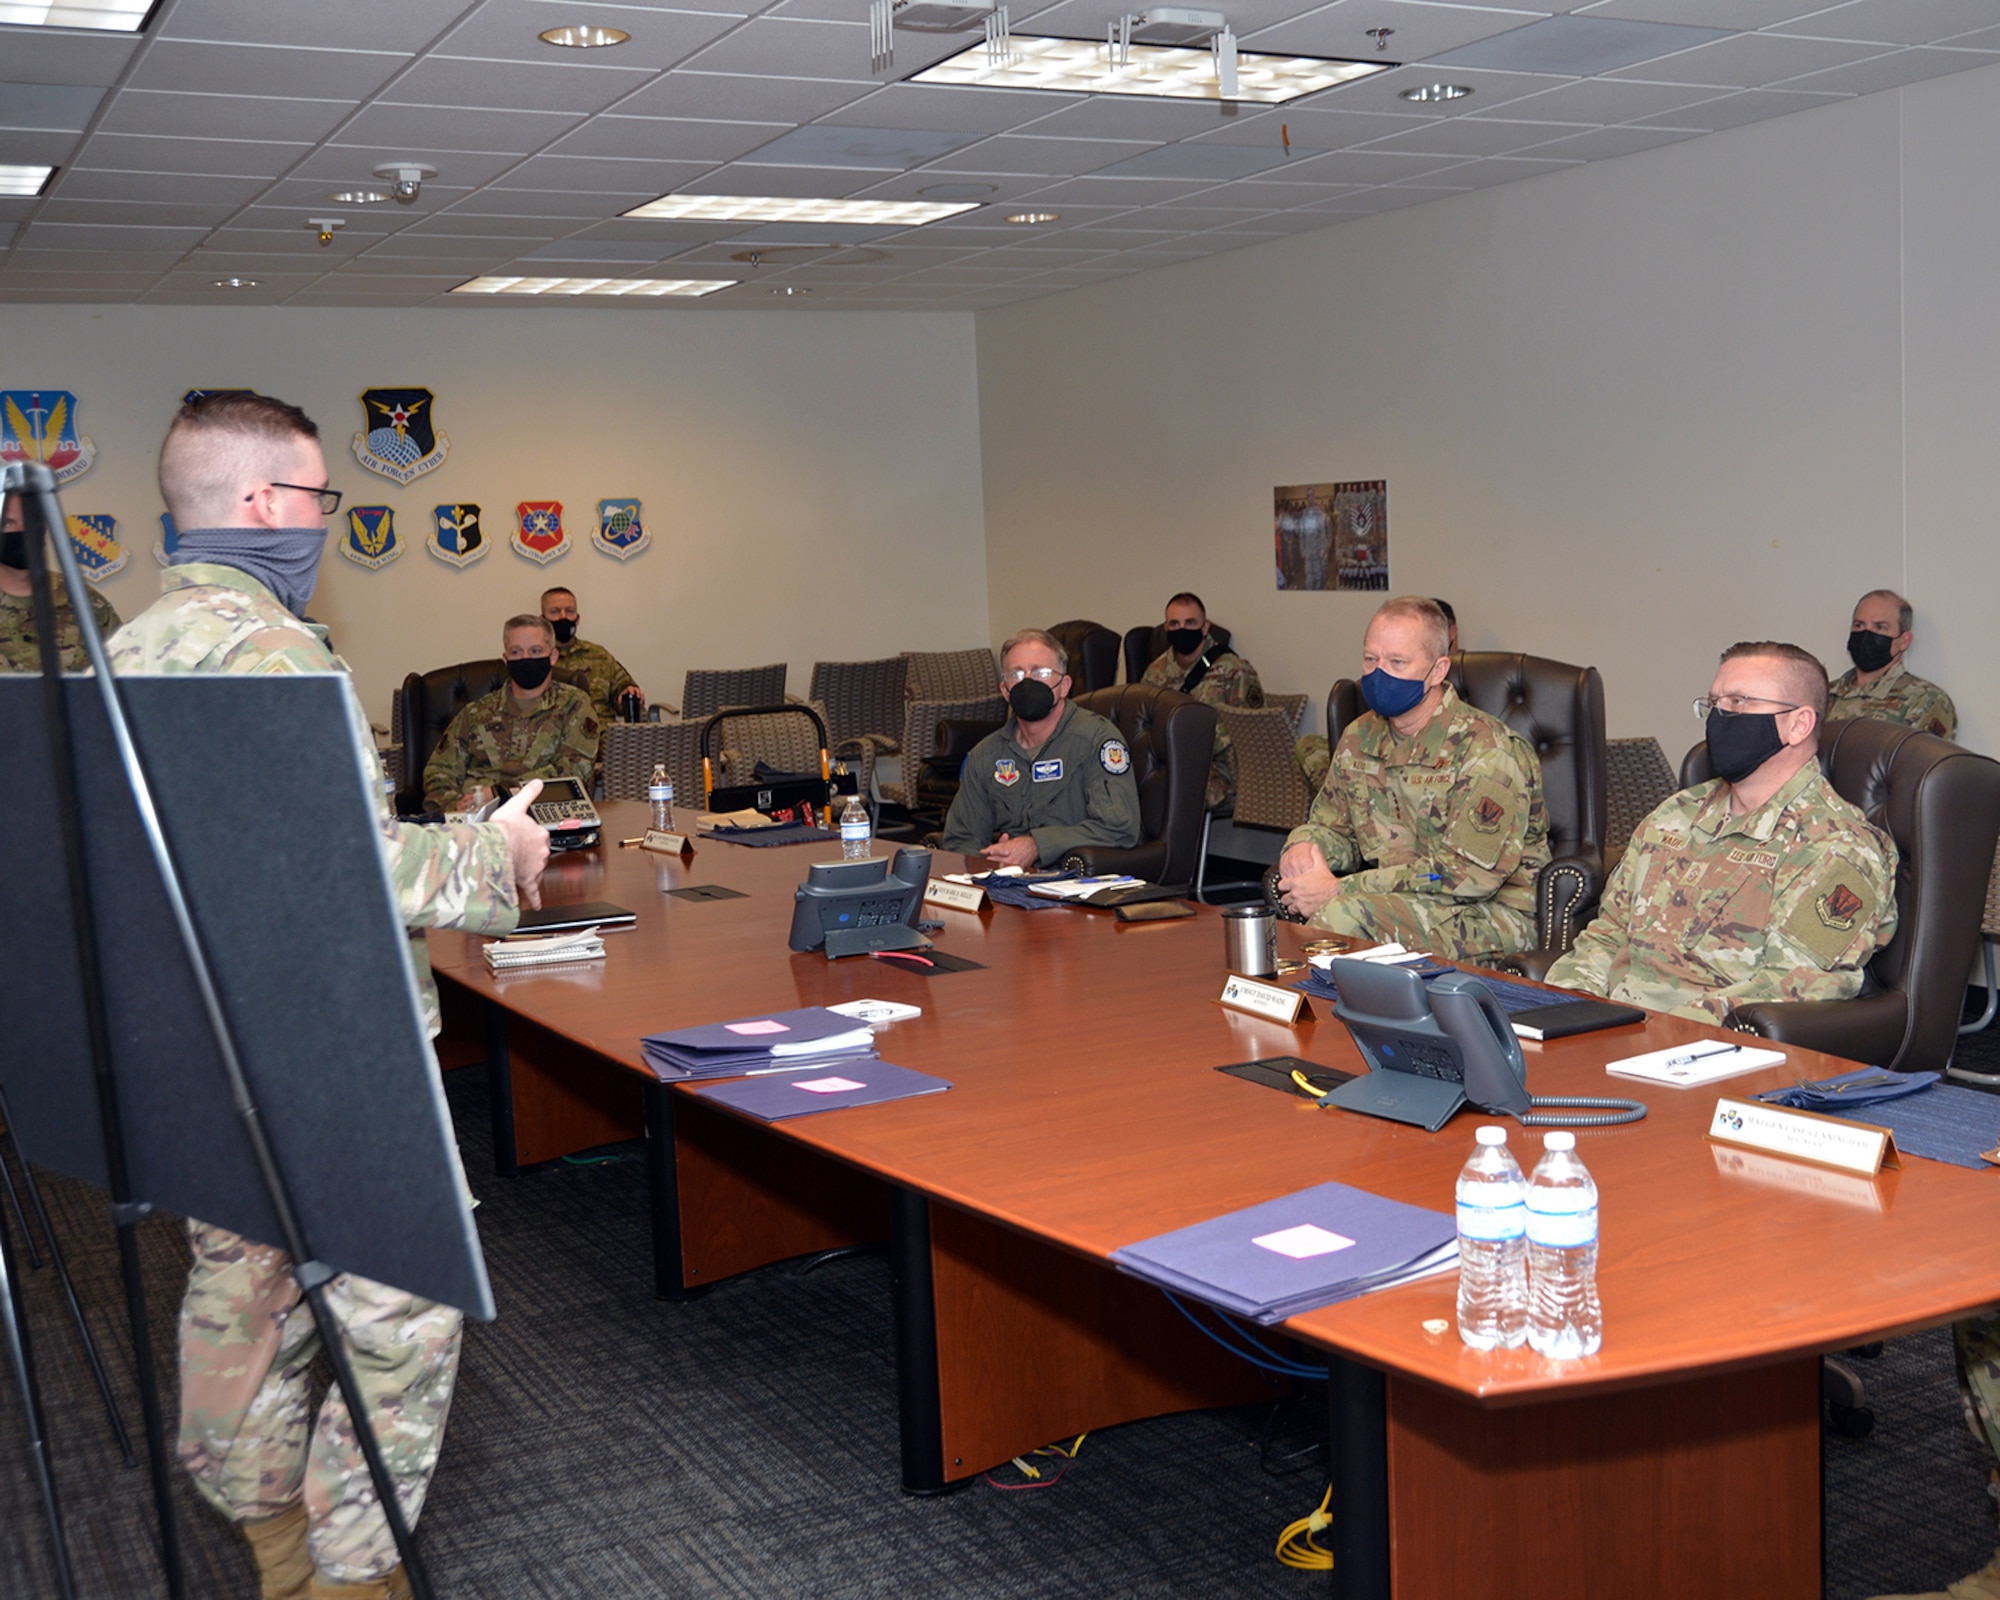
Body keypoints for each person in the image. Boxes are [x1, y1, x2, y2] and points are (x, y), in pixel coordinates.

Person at [106, 392, 550, 1600]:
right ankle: (355, 1577)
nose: (320, 525)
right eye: (317, 500)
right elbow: (344, 874)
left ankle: (272, 1550)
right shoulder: (276, 656)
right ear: (260, 505)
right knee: (404, 1318)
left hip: (193, 1062)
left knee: (241, 1306)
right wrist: (492, 858)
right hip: (328, 1061)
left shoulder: (119, 654)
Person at [1546, 641, 1897, 1022]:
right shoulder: (1674, 816)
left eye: (1740, 702)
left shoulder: (1836, 845)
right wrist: (1566, 1010)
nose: (1720, 716)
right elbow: (1607, 935)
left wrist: (1657, 1033)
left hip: (1706, 1045)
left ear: (1799, 724)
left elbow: (1792, 988)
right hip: (1609, 1028)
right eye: (1714, 703)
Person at [1274, 596, 1549, 960]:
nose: (1378, 674)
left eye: (1397, 662)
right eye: (1370, 660)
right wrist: (1303, 849)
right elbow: (1333, 826)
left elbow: (1461, 876)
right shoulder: (1360, 736)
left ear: (1437, 671)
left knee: (1342, 916)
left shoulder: (1488, 752)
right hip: (1397, 901)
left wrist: (1339, 889)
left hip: (1490, 913)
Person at [939, 628, 1140, 868]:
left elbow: (1119, 827)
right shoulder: (985, 755)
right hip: (1004, 887)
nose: (1028, 681)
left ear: (1064, 686)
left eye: (1040, 672)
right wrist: (992, 862)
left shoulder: (1096, 740)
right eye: (1016, 673)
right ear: (1005, 690)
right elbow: (961, 839)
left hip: (1075, 885)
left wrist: (1036, 845)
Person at [423, 614, 601, 813]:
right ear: (506, 660)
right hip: (476, 822)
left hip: (543, 815)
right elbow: (439, 770)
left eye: (535, 651)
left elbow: (573, 771)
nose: (525, 659)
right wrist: (456, 806)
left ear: (553, 657)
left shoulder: (574, 705)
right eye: (516, 652)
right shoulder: (475, 712)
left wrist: (503, 792)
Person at [1138, 592, 1264, 810]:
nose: (1182, 630)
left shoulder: (1234, 670)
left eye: (1190, 622)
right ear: (1166, 628)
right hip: (1167, 762)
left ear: (1205, 627)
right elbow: (1142, 724)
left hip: (1217, 769)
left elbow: (1252, 730)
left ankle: (1176, 844)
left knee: (1173, 788)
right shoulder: (1155, 672)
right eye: (1174, 624)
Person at [0, 489, 121, 671]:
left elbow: (121, 676)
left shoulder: (86, 603)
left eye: (30, 522)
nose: (21, 532)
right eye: (8, 524)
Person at [1828, 588, 1956, 739]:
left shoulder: (1925, 699)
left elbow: (1923, 761)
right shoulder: (1825, 695)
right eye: (1859, 625)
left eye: (1880, 627)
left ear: (1903, 641)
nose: (1866, 635)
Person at [540, 586, 642, 723]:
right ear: (542, 620)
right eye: (555, 611)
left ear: (577, 619)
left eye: (569, 611)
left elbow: (624, 689)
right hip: (558, 737)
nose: (563, 617)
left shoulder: (599, 655)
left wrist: (628, 693)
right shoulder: (535, 659)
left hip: (604, 736)